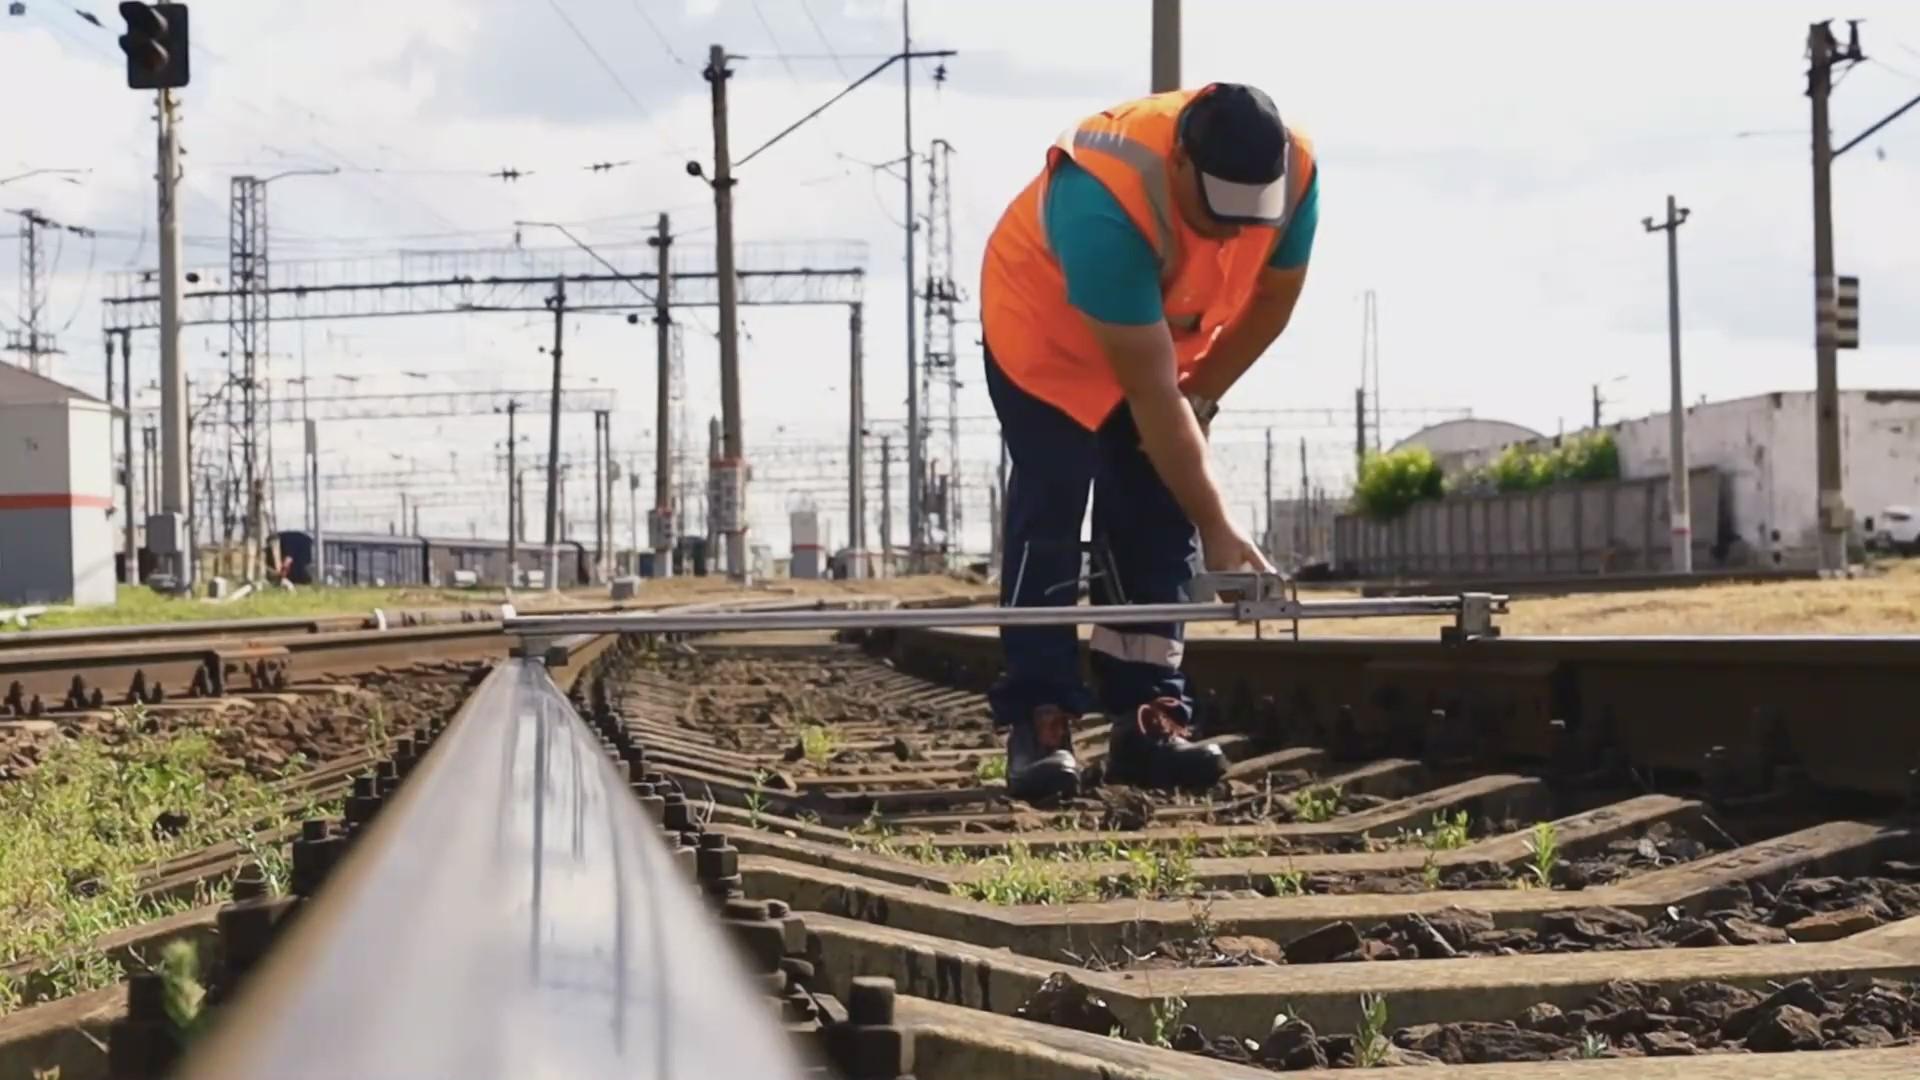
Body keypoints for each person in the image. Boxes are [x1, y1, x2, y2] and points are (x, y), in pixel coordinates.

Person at [979, 82, 1319, 802]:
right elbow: (1149, 394)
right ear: (1182, 166)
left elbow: (1272, 304)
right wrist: (1221, 529)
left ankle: (1146, 718)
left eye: (1249, 213)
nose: (1232, 233)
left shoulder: (1297, 177)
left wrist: (1203, 394)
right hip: (1046, 340)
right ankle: (1041, 718)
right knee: (1054, 496)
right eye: (1217, 208)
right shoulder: (1103, 196)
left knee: (1156, 510)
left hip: (1159, 345)